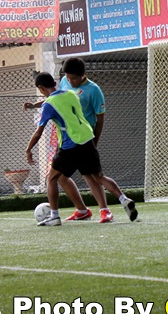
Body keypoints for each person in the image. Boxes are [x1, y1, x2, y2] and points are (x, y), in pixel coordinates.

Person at [25, 72, 113, 226]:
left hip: (69, 145)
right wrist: (35, 105)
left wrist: (28, 150)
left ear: (40, 88)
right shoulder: (70, 93)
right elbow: (55, 99)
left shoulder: (49, 104)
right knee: (73, 176)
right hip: (84, 139)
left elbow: (39, 132)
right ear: (55, 83)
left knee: (52, 178)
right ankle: (87, 210)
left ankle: (54, 215)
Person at [58, 57, 138, 222]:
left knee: (91, 175)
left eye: (74, 78)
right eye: (68, 77)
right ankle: (103, 207)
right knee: (87, 175)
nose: (70, 81)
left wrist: (95, 141)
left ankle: (101, 209)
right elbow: (56, 100)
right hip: (68, 138)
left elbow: (100, 118)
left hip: (84, 139)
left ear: (82, 75)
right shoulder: (64, 82)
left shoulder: (93, 90)